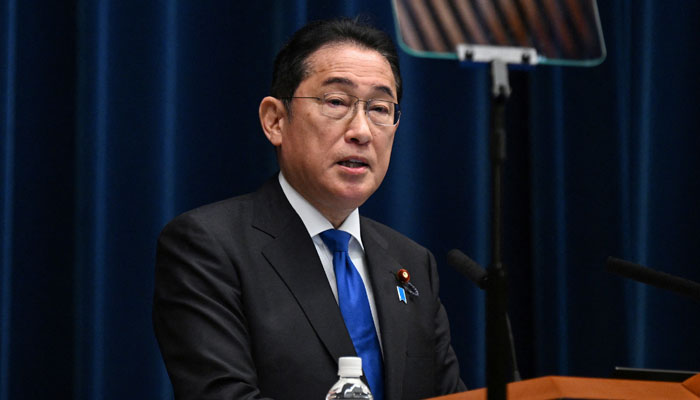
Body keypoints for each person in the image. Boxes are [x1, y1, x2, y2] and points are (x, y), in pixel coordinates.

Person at [153, 17, 465, 400]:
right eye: (336, 102)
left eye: (380, 109)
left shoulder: (411, 263)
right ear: (275, 120)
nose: (362, 131)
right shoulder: (209, 246)